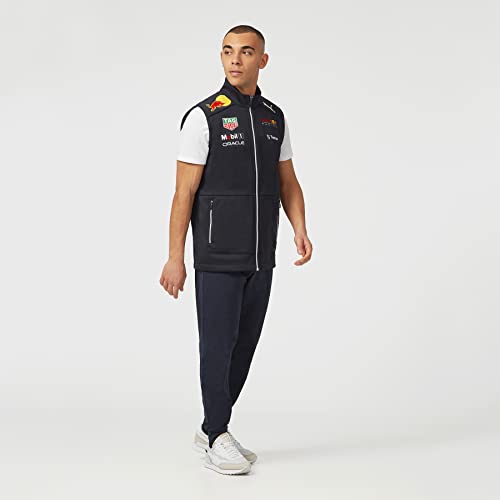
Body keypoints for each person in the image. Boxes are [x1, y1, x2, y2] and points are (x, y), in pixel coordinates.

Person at [159, 25, 312, 475]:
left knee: (244, 346)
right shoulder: (203, 117)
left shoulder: (273, 118)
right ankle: (216, 433)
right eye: (228, 51)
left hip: (262, 255)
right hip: (217, 255)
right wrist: (175, 257)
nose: (235, 60)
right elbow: (183, 194)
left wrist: (300, 228)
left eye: (246, 52)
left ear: (262, 60)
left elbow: (288, 181)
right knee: (217, 346)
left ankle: (212, 428)